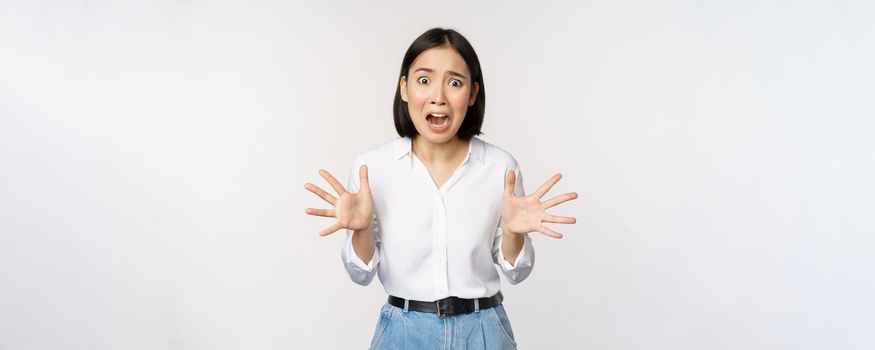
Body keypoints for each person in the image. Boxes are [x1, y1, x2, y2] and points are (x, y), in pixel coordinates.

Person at [304, 27, 578, 350]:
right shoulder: (373, 168)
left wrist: (514, 234)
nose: (439, 96)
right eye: (424, 80)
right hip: (403, 331)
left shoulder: (500, 168)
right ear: (404, 88)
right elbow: (360, 275)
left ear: (472, 94)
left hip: (483, 330)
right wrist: (362, 229)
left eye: (455, 83)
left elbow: (516, 273)